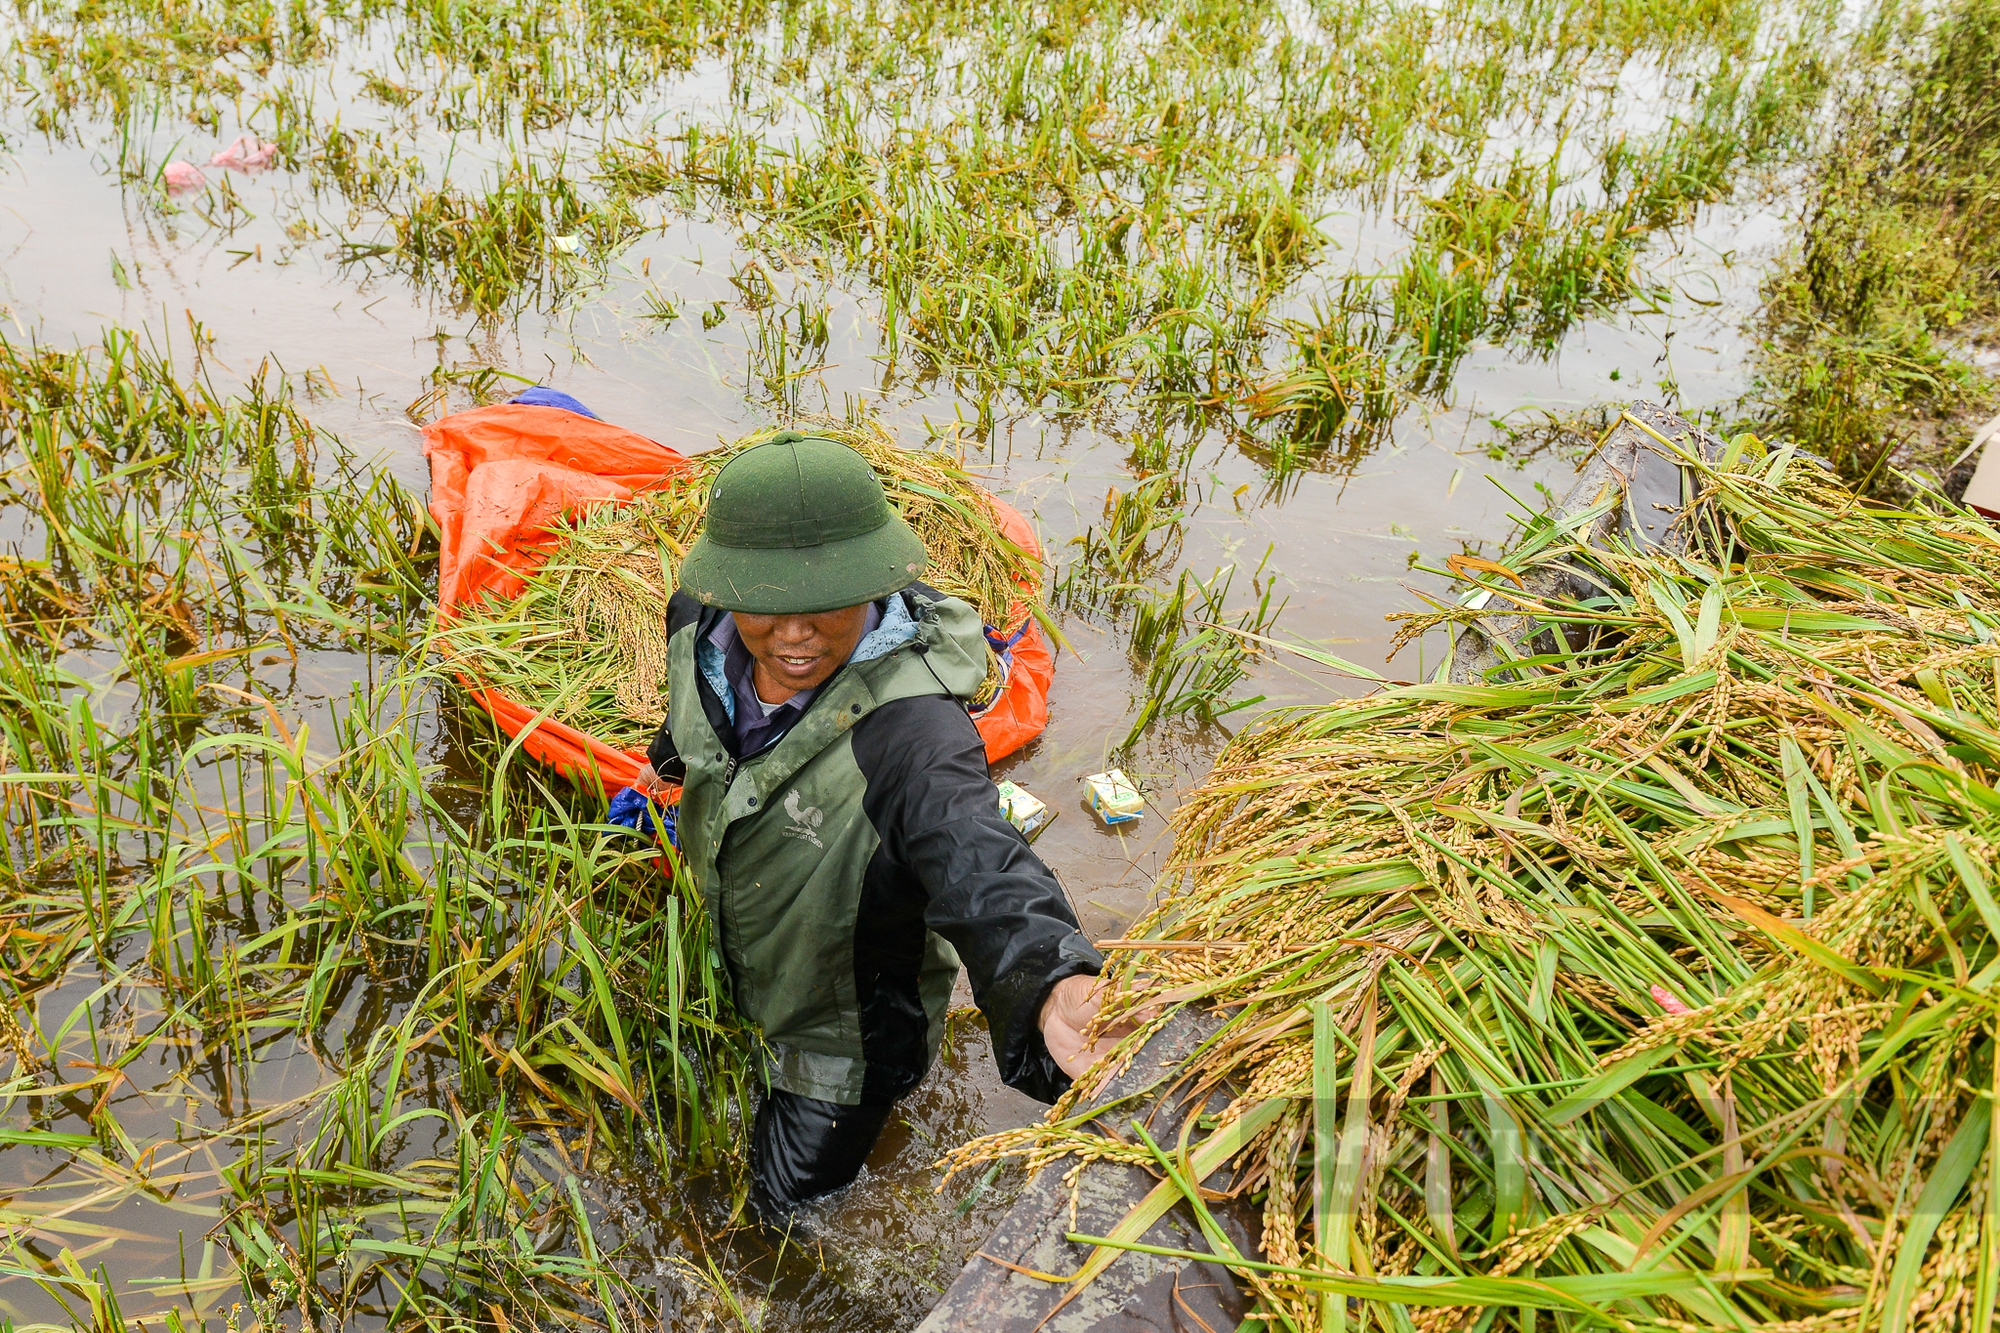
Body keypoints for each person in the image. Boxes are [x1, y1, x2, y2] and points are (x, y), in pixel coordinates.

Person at [624, 431, 1119, 1222]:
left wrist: (1050, 975)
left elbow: (975, 854)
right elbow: (693, 704)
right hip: (751, 949)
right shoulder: (697, 618)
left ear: (873, 581)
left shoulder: (913, 734)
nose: (792, 635)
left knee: (781, 1216)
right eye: (767, 603)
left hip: (845, 1033)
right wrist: (670, 761)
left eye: (824, 601)